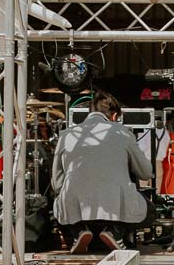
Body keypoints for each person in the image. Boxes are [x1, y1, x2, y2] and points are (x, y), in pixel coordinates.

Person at [52, 91, 153, 252]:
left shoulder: (65, 135)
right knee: (150, 211)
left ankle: (79, 231)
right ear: (114, 116)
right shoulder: (123, 133)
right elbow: (146, 173)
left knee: (60, 203)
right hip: (115, 207)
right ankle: (115, 231)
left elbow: (56, 184)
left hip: (76, 207)